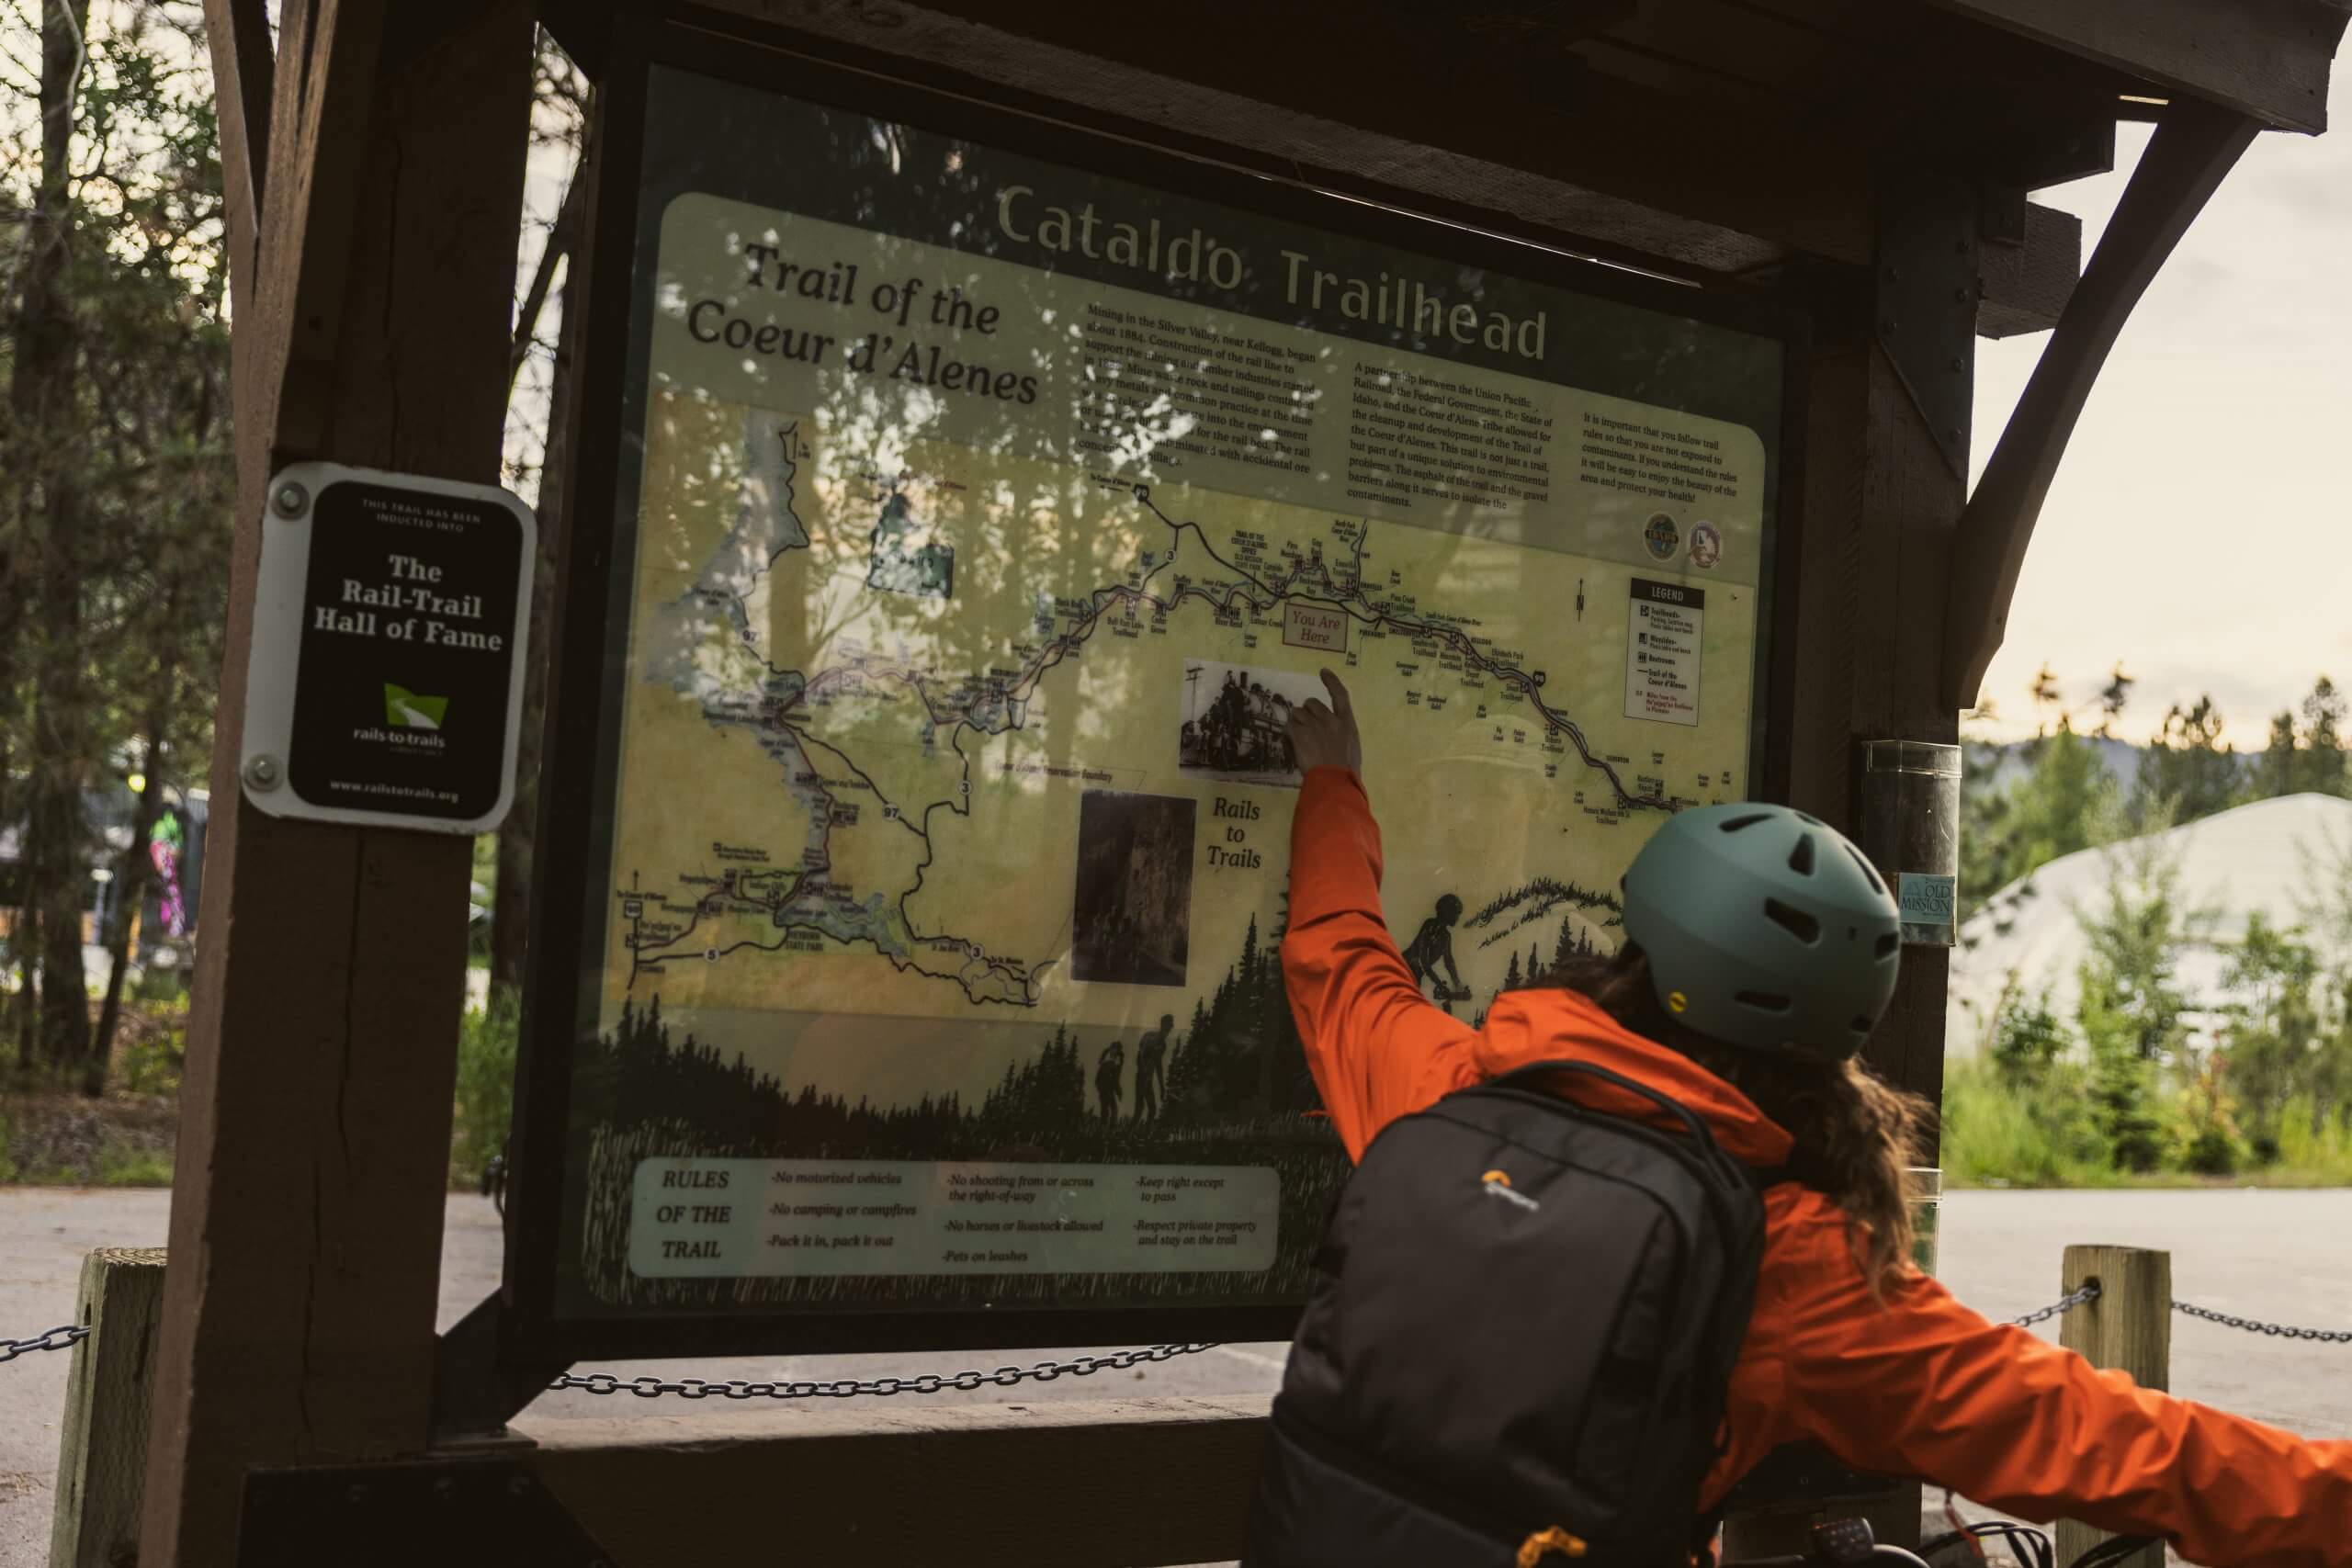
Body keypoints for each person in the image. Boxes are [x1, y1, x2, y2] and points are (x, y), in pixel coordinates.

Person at [1278, 668, 2352, 1568]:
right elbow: (2112, 1443)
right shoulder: (1788, 1265)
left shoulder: (1459, 1089)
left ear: (1638, 949)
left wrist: (1334, 787)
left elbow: (1339, 962)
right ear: (1837, 1036)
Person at [1400, 893, 1465, 1009]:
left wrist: (1458, 984)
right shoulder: (1430, 925)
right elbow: (1423, 960)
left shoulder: (1446, 936)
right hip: (1403, 969)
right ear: (1447, 912)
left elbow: (1449, 962)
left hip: (1416, 974)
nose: (1457, 918)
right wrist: (1439, 983)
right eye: (1456, 913)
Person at [1135, 1014, 1170, 1122]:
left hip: (1147, 1080)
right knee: (1140, 1108)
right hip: (1142, 1078)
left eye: (1169, 1029)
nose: (1168, 1032)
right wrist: (1144, 1069)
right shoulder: (1150, 1036)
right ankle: (1130, 1134)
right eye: (1167, 1028)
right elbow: (1140, 1054)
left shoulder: (1162, 1045)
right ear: (1162, 1026)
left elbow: (1158, 1066)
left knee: (1152, 1109)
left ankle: (1145, 1135)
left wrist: (1162, 1087)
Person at [1095, 1038, 1125, 1123]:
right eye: (1114, 1049)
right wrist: (1117, 1092)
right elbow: (1114, 1081)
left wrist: (1118, 1091)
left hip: (1107, 1091)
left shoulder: (1110, 1063)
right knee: (1109, 1109)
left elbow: (1114, 1080)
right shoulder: (1109, 1064)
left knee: (1109, 1109)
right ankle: (1108, 1128)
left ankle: (1107, 1128)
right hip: (1106, 1091)